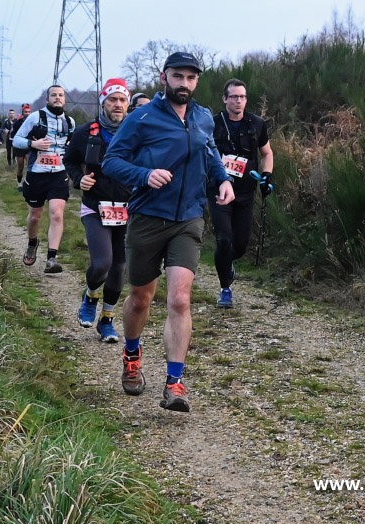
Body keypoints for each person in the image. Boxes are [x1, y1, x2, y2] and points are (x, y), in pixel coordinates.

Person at [103, 51, 234, 411]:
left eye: (191, 78)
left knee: (179, 299)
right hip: (147, 216)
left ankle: (174, 383)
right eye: (178, 76)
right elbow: (112, 161)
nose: (184, 84)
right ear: (164, 77)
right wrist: (144, 174)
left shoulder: (203, 116)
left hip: (188, 218)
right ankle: (132, 355)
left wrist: (222, 179)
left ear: (197, 81)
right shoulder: (142, 117)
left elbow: (209, 152)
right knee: (141, 298)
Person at [64, 78, 133, 346]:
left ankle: (107, 319)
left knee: (119, 268)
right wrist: (78, 179)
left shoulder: (136, 133)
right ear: (103, 102)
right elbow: (70, 160)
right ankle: (91, 294)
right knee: (103, 263)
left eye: (122, 100)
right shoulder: (86, 132)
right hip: (95, 206)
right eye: (112, 99)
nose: (118, 104)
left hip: (127, 208)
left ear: (128, 104)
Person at [209, 78, 274, 308]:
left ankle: (227, 263)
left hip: (245, 191)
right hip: (219, 191)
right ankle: (225, 288)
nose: (239, 101)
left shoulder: (257, 124)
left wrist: (267, 176)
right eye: (234, 96)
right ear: (225, 99)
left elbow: (267, 153)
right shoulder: (213, 123)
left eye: (243, 97)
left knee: (240, 245)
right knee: (223, 239)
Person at [13, 86, 75, 274]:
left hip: (59, 174)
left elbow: (73, 146)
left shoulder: (70, 121)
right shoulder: (35, 117)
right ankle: (32, 242)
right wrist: (33, 143)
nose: (57, 98)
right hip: (37, 174)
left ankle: (51, 258)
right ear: (47, 99)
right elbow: (16, 140)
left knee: (57, 213)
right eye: (53, 95)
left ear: (64, 99)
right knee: (35, 216)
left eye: (61, 95)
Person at [12, 104, 32, 190]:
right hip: (19, 146)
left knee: (29, 165)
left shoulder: (33, 122)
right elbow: (13, 134)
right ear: (22, 112)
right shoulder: (17, 123)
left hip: (29, 145)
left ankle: (28, 182)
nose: (27, 113)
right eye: (25, 112)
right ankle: (19, 183)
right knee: (20, 166)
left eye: (29, 112)